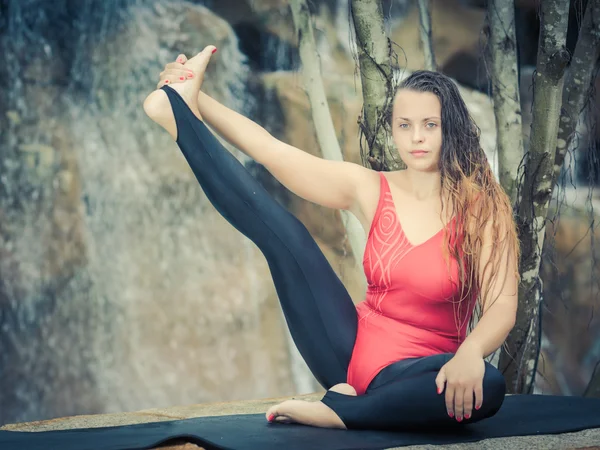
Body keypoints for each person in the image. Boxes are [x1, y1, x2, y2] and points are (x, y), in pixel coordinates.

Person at [142, 45, 520, 431]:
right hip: (345, 349)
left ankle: (345, 410)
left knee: (488, 384)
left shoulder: (483, 209)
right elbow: (272, 151)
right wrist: (192, 97)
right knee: (286, 236)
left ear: (450, 126)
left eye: (430, 125)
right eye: (404, 125)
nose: (416, 138)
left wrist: (471, 352)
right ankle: (177, 119)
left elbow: (502, 306)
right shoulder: (371, 188)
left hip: (421, 375)